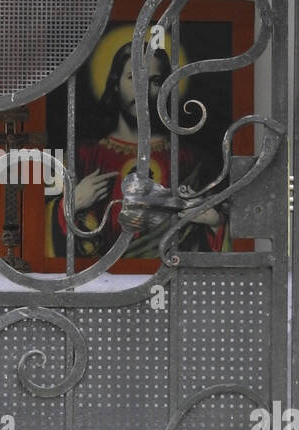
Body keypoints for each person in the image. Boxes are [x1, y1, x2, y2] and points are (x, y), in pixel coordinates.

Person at [50, 32, 229, 261]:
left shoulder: (191, 159)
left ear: (164, 89)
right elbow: (43, 231)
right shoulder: (82, 155)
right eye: (133, 78)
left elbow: (229, 232)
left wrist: (215, 222)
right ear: (115, 84)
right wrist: (71, 205)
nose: (142, 90)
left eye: (154, 81)